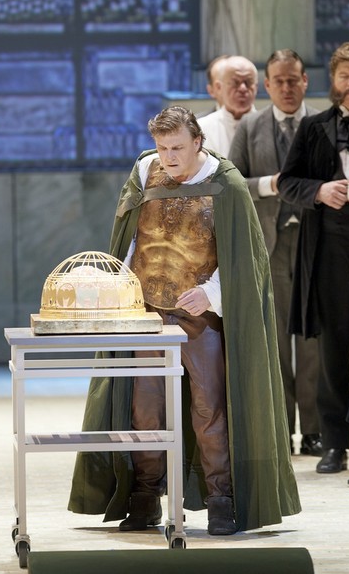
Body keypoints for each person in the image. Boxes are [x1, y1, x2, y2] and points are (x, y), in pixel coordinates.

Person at [68, 106, 300, 535]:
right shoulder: (145, 171)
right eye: (162, 148)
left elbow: (244, 255)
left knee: (209, 407)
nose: (169, 157)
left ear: (198, 142)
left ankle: (220, 499)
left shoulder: (226, 182)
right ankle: (145, 496)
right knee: (144, 408)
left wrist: (211, 293)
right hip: (147, 314)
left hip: (200, 315)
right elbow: (131, 238)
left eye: (177, 147)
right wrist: (120, 289)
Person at [229, 49, 322, 457]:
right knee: (276, 341)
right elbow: (231, 183)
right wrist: (269, 184)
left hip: (315, 245)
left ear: (305, 81)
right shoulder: (250, 127)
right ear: (267, 85)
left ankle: (315, 430)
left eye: (293, 80)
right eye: (278, 81)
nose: (286, 88)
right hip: (269, 245)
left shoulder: (323, 125)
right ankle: (281, 429)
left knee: (313, 340)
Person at [277, 42, 349, 474]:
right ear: (333, 81)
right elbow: (288, 182)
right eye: (345, 76)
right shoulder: (313, 127)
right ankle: (335, 444)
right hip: (329, 251)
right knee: (332, 350)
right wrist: (319, 191)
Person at [198, 55, 258, 156]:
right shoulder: (201, 128)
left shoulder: (271, 126)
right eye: (235, 82)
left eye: (248, 82)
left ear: (256, 86)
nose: (243, 88)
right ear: (219, 87)